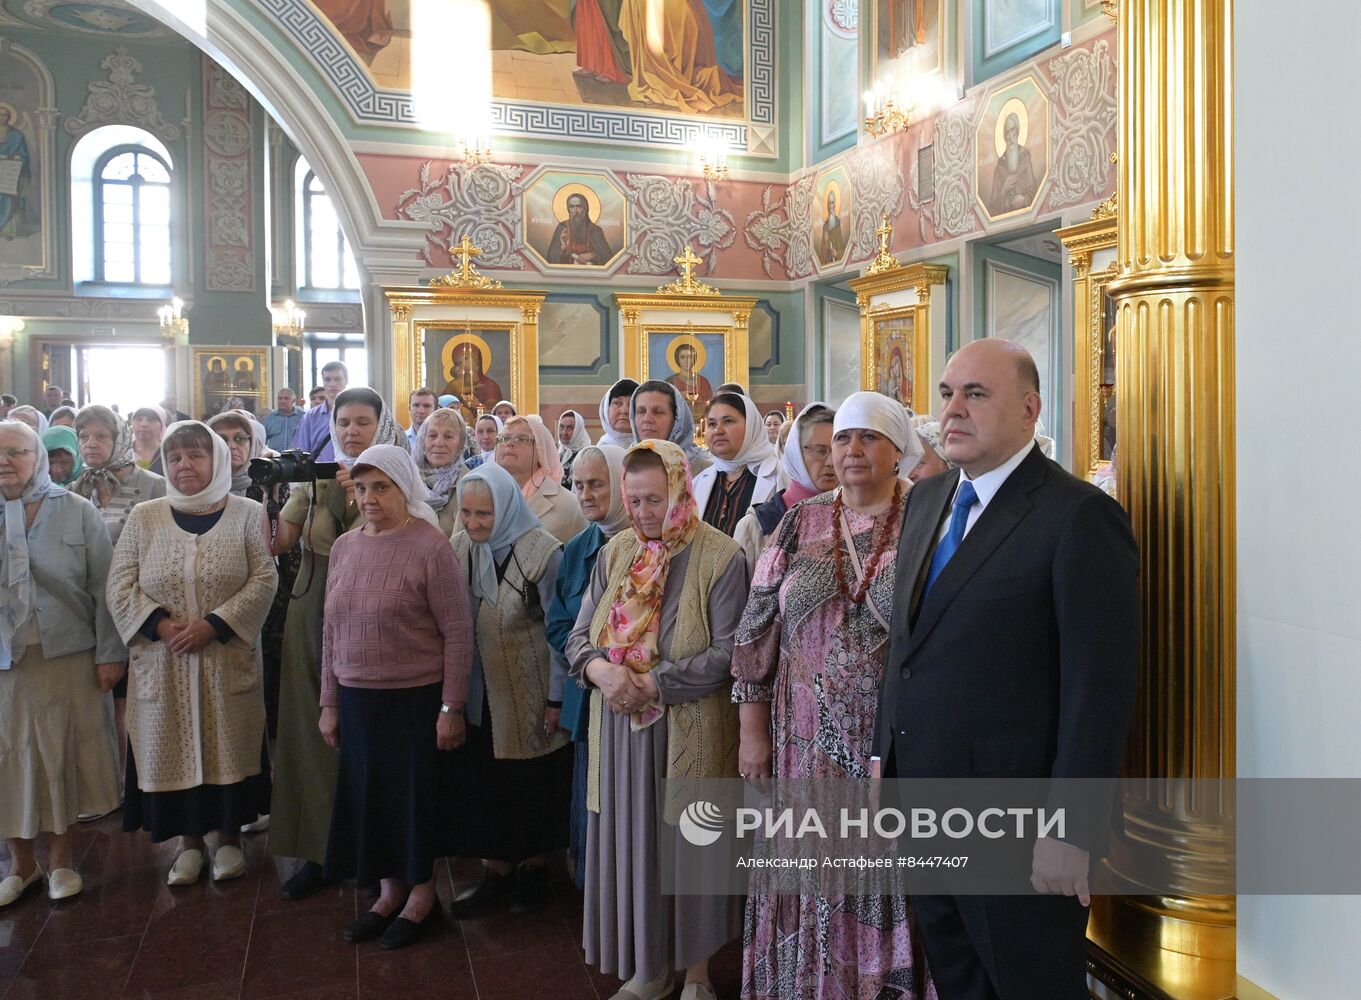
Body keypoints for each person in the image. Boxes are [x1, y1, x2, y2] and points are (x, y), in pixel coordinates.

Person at [873, 339, 1140, 998]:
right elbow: (905, 651)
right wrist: (886, 764)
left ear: (1029, 408)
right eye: (945, 393)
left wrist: (1070, 827)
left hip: (1017, 825)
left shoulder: (1075, 516)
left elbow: (1097, 687)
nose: (952, 410)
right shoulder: (929, 499)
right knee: (959, 977)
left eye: (975, 394)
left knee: (1030, 984)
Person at [731, 392, 930, 1000]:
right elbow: (757, 625)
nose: (851, 450)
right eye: (842, 438)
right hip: (803, 746)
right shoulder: (800, 520)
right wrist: (752, 732)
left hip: (892, 750)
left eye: (869, 437)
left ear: (900, 450)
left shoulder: (929, 517)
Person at [568, 440, 747, 1000]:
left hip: (688, 730)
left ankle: (695, 972)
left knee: (691, 846)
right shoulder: (616, 552)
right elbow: (579, 636)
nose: (644, 512)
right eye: (635, 499)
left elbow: (729, 653)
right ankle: (649, 966)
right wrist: (602, 671)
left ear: (680, 490)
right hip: (620, 733)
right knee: (635, 846)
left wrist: (652, 682)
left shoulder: (720, 556)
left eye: (655, 499)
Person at [107, 422, 277, 886]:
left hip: (225, 659)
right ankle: (187, 845)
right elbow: (119, 584)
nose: (185, 465)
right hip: (163, 663)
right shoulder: (145, 516)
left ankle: (227, 840)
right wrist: (160, 625)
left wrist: (214, 625)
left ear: (217, 459)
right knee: (171, 746)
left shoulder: (245, 512)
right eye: (176, 457)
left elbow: (264, 578)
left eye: (196, 456)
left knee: (227, 745)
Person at [319, 444, 472, 949]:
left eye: (380, 487)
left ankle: (421, 896)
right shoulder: (344, 547)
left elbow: (457, 632)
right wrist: (329, 702)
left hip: (415, 699)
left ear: (404, 489)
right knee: (371, 800)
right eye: (361, 488)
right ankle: (387, 893)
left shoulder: (431, 546)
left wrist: (452, 707)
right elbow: (331, 632)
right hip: (358, 698)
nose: (368, 498)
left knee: (412, 801)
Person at [269, 386, 406, 900]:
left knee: (366, 729)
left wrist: (357, 493)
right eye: (342, 422)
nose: (350, 432)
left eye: (361, 422)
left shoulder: (393, 474)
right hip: (314, 599)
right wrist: (269, 499)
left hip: (371, 603)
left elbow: (391, 530)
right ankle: (318, 848)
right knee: (309, 728)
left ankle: (375, 851)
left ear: (380, 425)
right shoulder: (316, 474)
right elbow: (281, 539)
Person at [0, 421, 123, 908]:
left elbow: (105, 587)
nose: (5, 461)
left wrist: (111, 654)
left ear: (38, 456)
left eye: (16, 452)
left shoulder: (76, 510)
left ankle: (62, 861)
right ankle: (20, 866)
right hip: (6, 663)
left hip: (67, 655)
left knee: (60, 757)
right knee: (8, 762)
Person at [446, 463, 569, 917]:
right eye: (468, 513)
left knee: (529, 784)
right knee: (485, 783)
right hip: (479, 695)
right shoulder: (459, 547)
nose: (475, 524)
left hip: (530, 690)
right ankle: (496, 872)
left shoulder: (542, 551)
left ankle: (534, 870)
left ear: (508, 508)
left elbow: (560, 631)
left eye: (485, 514)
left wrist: (557, 698)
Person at [543, 443, 630, 890]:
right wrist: (597, 659)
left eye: (596, 484)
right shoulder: (578, 548)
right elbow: (559, 622)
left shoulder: (651, 542)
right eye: (578, 485)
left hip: (639, 695)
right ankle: (597, 891)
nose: (586, 494)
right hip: (589, 694)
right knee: (591, 795)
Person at [733, 403, 840, 571]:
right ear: (794, 453)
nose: (831, 462)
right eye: (820, 451)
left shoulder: (856, 516)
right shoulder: (756, 526)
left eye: (838, 450)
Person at [72, 405, 167, 546]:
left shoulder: (155, 486)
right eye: (83, 437)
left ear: (120, 440)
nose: (90, 444)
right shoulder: (76, 489)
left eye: (101, 436)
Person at [691, 392, 779, 536]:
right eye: (712, 424)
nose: (718, 431)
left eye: (728, 421)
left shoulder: (779, 475)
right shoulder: (699, 482)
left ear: (751, 426)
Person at [494, 414, 587, 544]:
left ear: (540, 450)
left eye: (520, 439)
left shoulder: (569, 507)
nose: (509, 443)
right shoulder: (482, 495)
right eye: (504, 438)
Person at [631, 379, 710, 474]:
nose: (647, 419)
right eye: (641, 411)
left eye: (658, 412)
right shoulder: (624, 463)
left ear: (677, 419)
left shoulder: (704, 470)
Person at [413, 407, 469, 536]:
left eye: (448, 436)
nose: (439, 443)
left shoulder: (470, 484)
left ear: (460, 444)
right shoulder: (407, 479)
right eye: (432, 435)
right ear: (423, 440)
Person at [292, 361, 349, 461]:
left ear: (346, 381)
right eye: (327, 380)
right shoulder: (310, 417)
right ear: (323, 382)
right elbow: (300, 452)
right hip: (319, 475)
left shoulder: (357, 413)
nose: (332, 384)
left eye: (337, 379)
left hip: (351, 474)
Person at [989, 112, 1038, 215]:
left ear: (1018, 130)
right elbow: (993, 205)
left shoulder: (1025, 155)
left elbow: (1033, 189)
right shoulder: (1000, 164)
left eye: (1012, 129)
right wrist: (1003, 190)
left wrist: (1024, 200)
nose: (1010, 136)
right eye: (1006, 132)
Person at [548, 192, 614, 265]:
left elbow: (608, 257)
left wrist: (592, 256)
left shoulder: (595, 230)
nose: (575, 211)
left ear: (586, 209)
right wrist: (563, 248)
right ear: (568, 209)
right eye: (572, 207)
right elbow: (551, 257)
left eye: (579, 206)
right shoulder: (562, 228)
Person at [441, 344, 503, 421]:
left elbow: (496, 415)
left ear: (477, 361)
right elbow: (441, 410)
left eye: (466, 358)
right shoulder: (453, 386)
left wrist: (477, 405)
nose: (463, 364)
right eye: (459, 362)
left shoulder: (490, 386)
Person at [597, 377, 639, 449]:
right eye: (617, 403)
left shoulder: (653, 449)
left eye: (632, 404)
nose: (624, 411)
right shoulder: (600, 451)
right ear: (606, 409)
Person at [556, 408, 591, 486]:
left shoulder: (586, 455)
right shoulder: (558, 451)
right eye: (561, 427)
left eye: (570, 428)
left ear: (578, 430)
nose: (564, 432)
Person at [130, 406, 166, 474]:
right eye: (139, 419)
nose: (143, 424)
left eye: (151, 420)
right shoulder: (122, 452)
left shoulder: (168, 452)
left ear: (162, 425)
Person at [819, 186, 848, 264]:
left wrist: (837, 254)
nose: (831, 206)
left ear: (835, 204)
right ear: (827, 205)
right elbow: (822, 254)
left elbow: (843, 249)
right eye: (829, 203)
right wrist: (826, 243)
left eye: (832, 203)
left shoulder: (838, 223)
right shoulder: (825, 226)